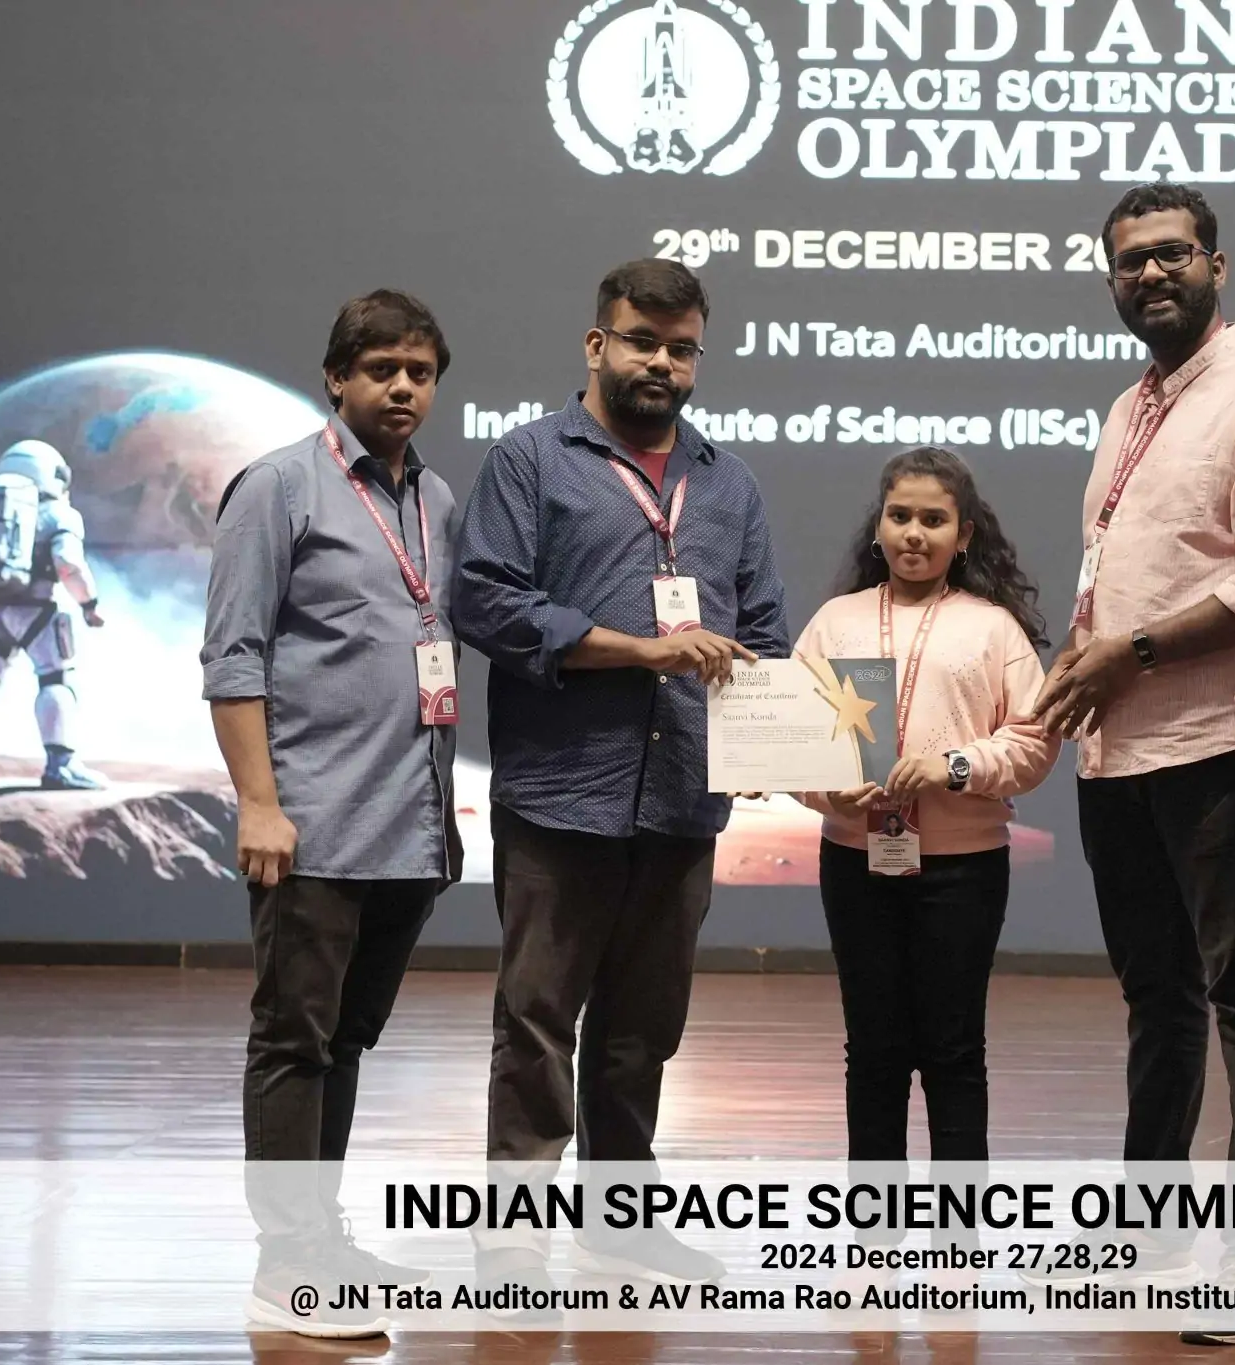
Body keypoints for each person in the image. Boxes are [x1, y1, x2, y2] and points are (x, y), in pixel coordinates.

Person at [1030, 183, 1235, 1293]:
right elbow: (1125, 569)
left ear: (1218, 264)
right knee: (1155, 998)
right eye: (1129, 262)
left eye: (1171, 254)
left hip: (1218, 743)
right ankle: (1149, 1224)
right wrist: (1087, 653)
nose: (1150, 275)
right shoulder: (1131, 405)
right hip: (1116, 750)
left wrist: (1131, 653)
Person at [453, 258, 788, 1300]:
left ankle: (619, 1224)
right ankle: (514, 1235)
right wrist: (637, 650)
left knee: (644, 1030)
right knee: (537, 1019)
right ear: (597, 344)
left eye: (681, 348)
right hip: (562, 793)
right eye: (642, 341)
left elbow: (763, 629)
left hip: (683, 796)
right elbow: (488, 601)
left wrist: (776, 738)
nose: (662, 364)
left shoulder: (727, 482)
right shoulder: (529, 460)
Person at [201, 290, 460, 1339]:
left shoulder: (436, 498)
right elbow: (233, 656)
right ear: (336, 378)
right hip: (310, 828)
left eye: (420, 373)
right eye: (381, 369)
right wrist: (258, 804)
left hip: (408, 828)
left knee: (345, 1042)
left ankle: (320, 1236)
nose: (402, 387)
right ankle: (285, 1264)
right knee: (293, 1042)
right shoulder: (277, 487)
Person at [795, 447, 1060, 1169]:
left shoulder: (994, 628)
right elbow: (795, 740)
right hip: (855, 861)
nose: (914, 533)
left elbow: (1034, 743)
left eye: (934, 520)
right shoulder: (835, 622)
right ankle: (875, 1219)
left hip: (965, 871)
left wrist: (955, 767)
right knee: (872, 1049)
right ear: (879, 526)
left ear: (964, 534)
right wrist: (827, 790)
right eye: (900, 515)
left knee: (954, 1049)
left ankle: (958, 1221)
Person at [0, 439, 108, 789]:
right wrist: (89, 604)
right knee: (55, 681)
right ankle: (61, 765)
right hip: (37, 611)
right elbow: (69, 564)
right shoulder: (59, 515)